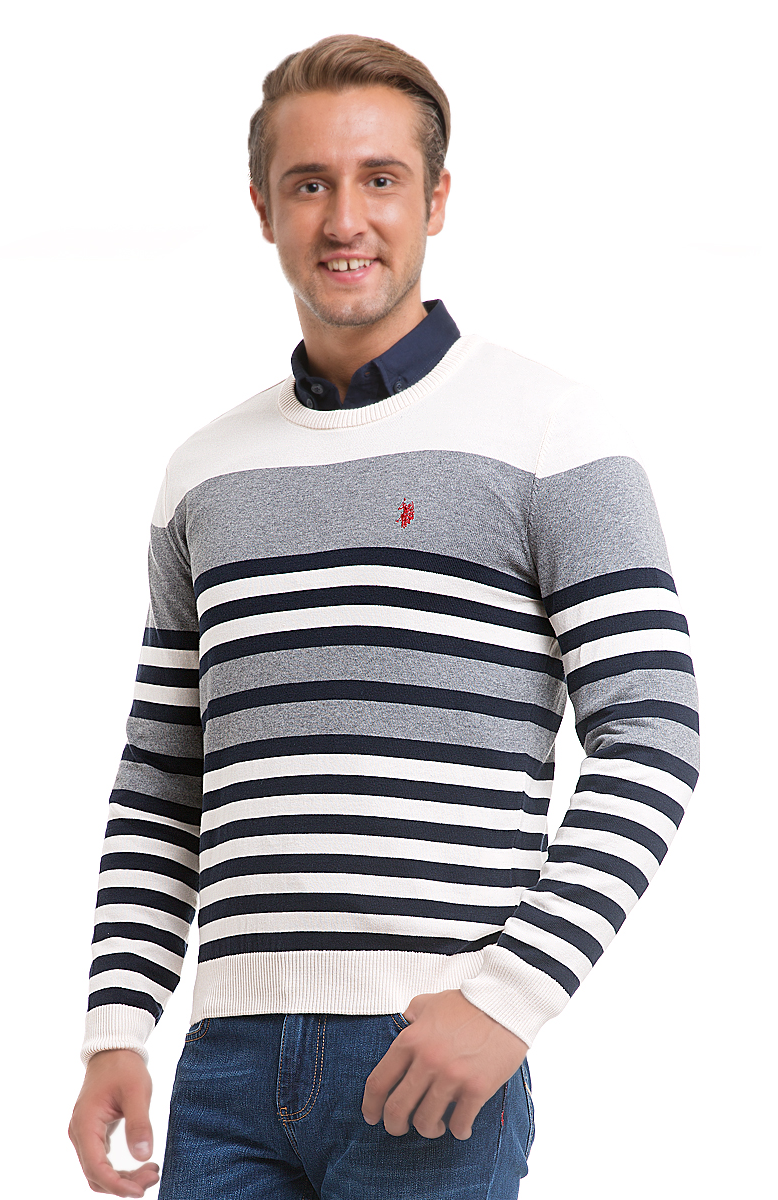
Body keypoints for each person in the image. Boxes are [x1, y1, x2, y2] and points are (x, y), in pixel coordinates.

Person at [68, 33, 700, 1200]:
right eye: (309, 183)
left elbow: (651, 731)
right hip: (223, 1066)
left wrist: (509, 1001)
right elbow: (162, 777)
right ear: (263, 208)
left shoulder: (549, 431)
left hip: (429, 1056)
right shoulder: (203, 472)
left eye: (379, 178)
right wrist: (117, 1023)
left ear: (435, 199)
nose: (343, 218)